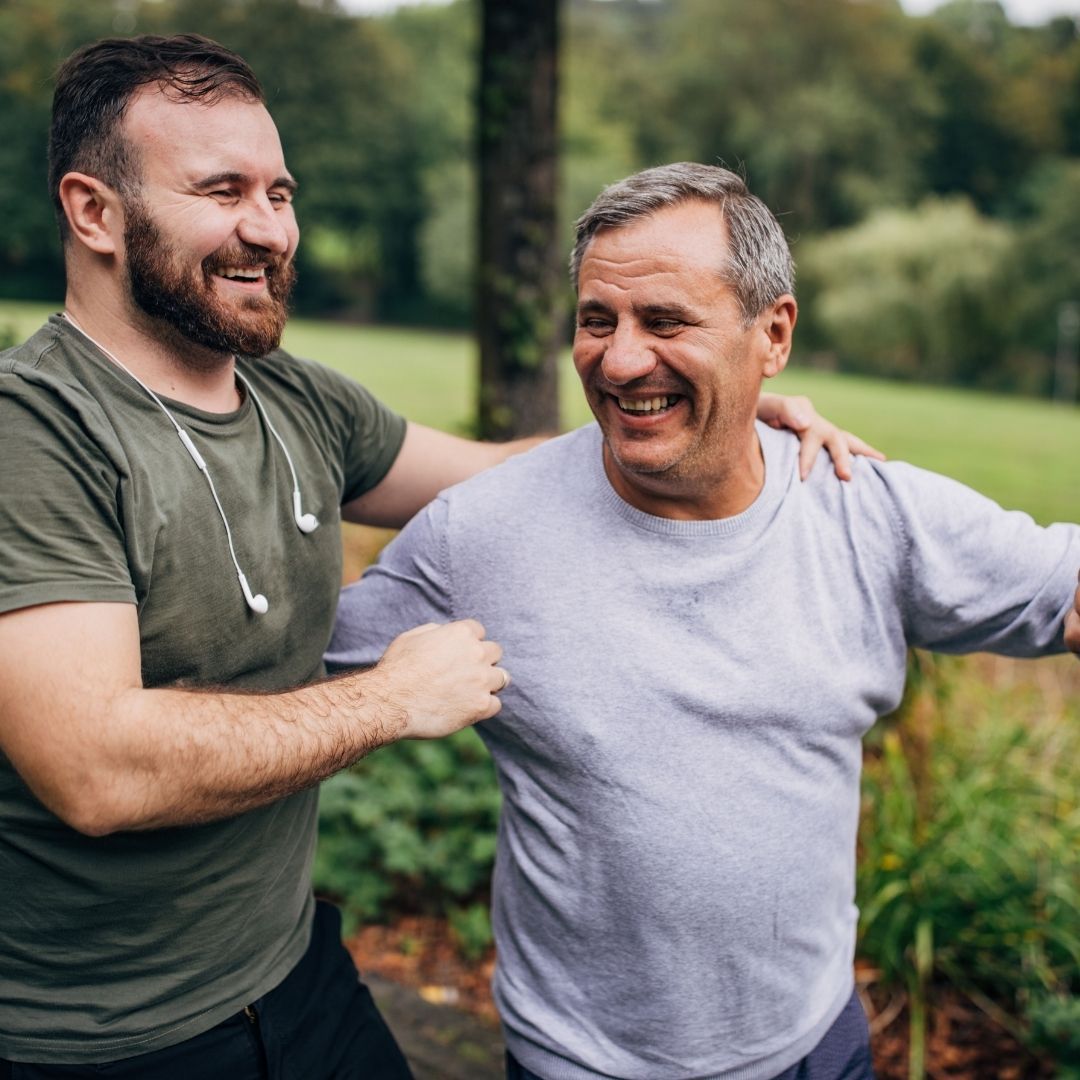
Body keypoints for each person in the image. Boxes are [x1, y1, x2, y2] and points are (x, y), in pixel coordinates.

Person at [0, 37, 867, 1078]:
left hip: (291, 976)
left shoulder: (295, 401)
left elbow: (512, 472)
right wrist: (391, 701)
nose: (269, 229)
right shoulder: (35, 432)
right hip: (101, 1039)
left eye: (280, 193)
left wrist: (709, 413)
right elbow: (93, 769)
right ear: (93, 211)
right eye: (221, 190)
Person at [329, 162, 1080, 1080]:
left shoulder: (863, 510)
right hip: (580, 1063)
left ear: (774, 334)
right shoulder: (481, 533)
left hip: (815, 1048)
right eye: (598, 320)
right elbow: (281, 688)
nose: (620, 359)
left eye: (666, 321)